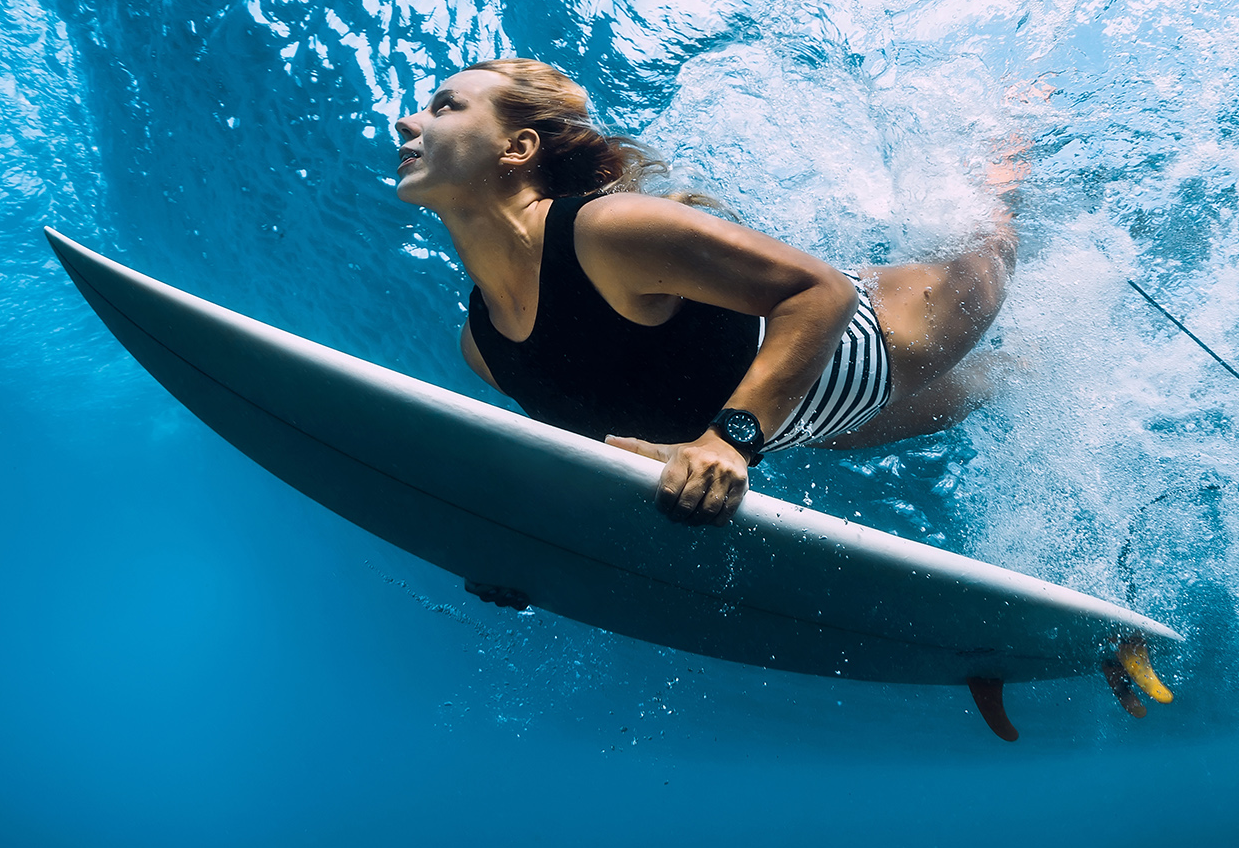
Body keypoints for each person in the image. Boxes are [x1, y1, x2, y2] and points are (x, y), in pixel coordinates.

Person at [393, 58, 1019, 525]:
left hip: (877, 341)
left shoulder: (608, 231)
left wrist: (728, 443)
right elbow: (609, 452)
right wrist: (530, 551)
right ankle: (1032, 363)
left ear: (517, 146)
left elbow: (820, 291)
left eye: (445, 106)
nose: (407, 119)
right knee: (1001, 382)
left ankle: (1010, 144)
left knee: (991, 243)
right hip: (799, 423)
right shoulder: (482, 347)